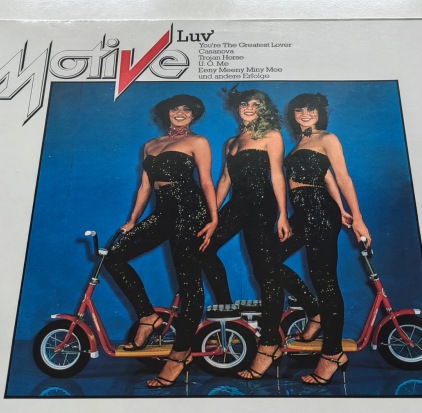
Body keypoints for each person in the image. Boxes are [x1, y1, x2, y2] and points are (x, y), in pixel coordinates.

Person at [102, 94, 218, 388]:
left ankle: (180, 355)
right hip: (163, 211)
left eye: (186, 110)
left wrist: (214, 218)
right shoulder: (150, 145)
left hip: (191, 211)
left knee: (189, 282)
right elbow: (145, 186)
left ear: (193, 115)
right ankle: (147, 316)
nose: (180, 113)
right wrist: (133, 220)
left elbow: (206, 181)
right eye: (175, 109)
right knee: (114, 256)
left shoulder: (198, 141)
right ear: (167, 113)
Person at [278, 93, 370, 385]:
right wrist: (340, 209)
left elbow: (342, 177)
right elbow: (326, 176)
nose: (305, 114)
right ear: (293, 115)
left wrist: (357, 218)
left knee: (325, 281)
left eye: (311, 110)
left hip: (318, 212)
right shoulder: (300, 143)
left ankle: (332, 353)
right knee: (267, 260)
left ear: (319, 114)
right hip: (303, 213)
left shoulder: (328, 138)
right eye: (299, 110)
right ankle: (315, 313)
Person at [200, 88, 292, 379]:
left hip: (262, 205)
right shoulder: (231, 142)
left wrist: (282, 214)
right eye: (244, 104)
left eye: (255, 104)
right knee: (202, 247)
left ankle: (270, 344)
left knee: (265, 272)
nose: (249, 108)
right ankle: (228, 310)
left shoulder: (272, 135)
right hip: (237, 204)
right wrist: (213, 215)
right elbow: (225, 180)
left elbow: (277, 175)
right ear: (237, 108)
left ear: (264, 108)